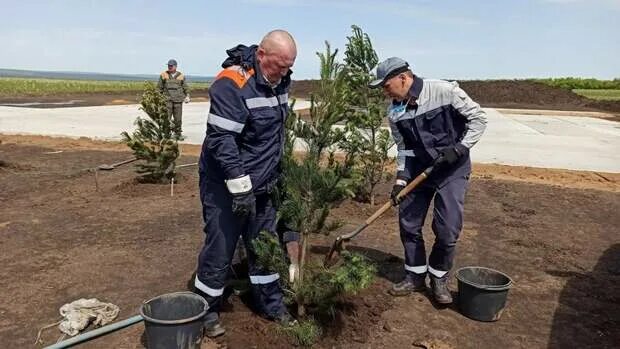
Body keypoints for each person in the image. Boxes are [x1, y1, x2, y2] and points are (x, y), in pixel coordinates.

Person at [194, 30, 297, 337]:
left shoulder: (280, 78)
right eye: (278, 66)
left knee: (263, 244)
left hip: (264, 182)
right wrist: (240, 188)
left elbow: (272, 136)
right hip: (226, 184)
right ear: (261, 55)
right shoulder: (232, 83)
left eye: (288, 67)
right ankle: (206, 310)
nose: (283, 73)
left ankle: (269, 302)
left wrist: (278, 178)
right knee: (221, 246)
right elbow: (221, 140)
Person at [369, 57, 487, 304]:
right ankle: (414, 275)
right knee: (409, 224)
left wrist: (460, 148)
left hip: (451, 170)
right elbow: (404, 149)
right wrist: (401, 180)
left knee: (447, 230)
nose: (384, 92)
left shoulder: (444, 92)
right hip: (419, 173)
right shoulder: (395, 112)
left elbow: (478, 119)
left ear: (403, 78)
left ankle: (438, 277)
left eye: (386, 85)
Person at [157, 59, 190, 133]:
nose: (170, 67)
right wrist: (158, 98)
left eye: (171, 66)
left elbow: (185, 87)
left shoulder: (181, 76)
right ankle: (166, 134)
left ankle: (177, 133)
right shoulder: (163, 75)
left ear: (175, 66)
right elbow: (159, 88)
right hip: (167, 100)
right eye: (169, 65)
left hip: (178, 101)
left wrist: (187, 96)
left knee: (178, 119)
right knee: (166, 118)